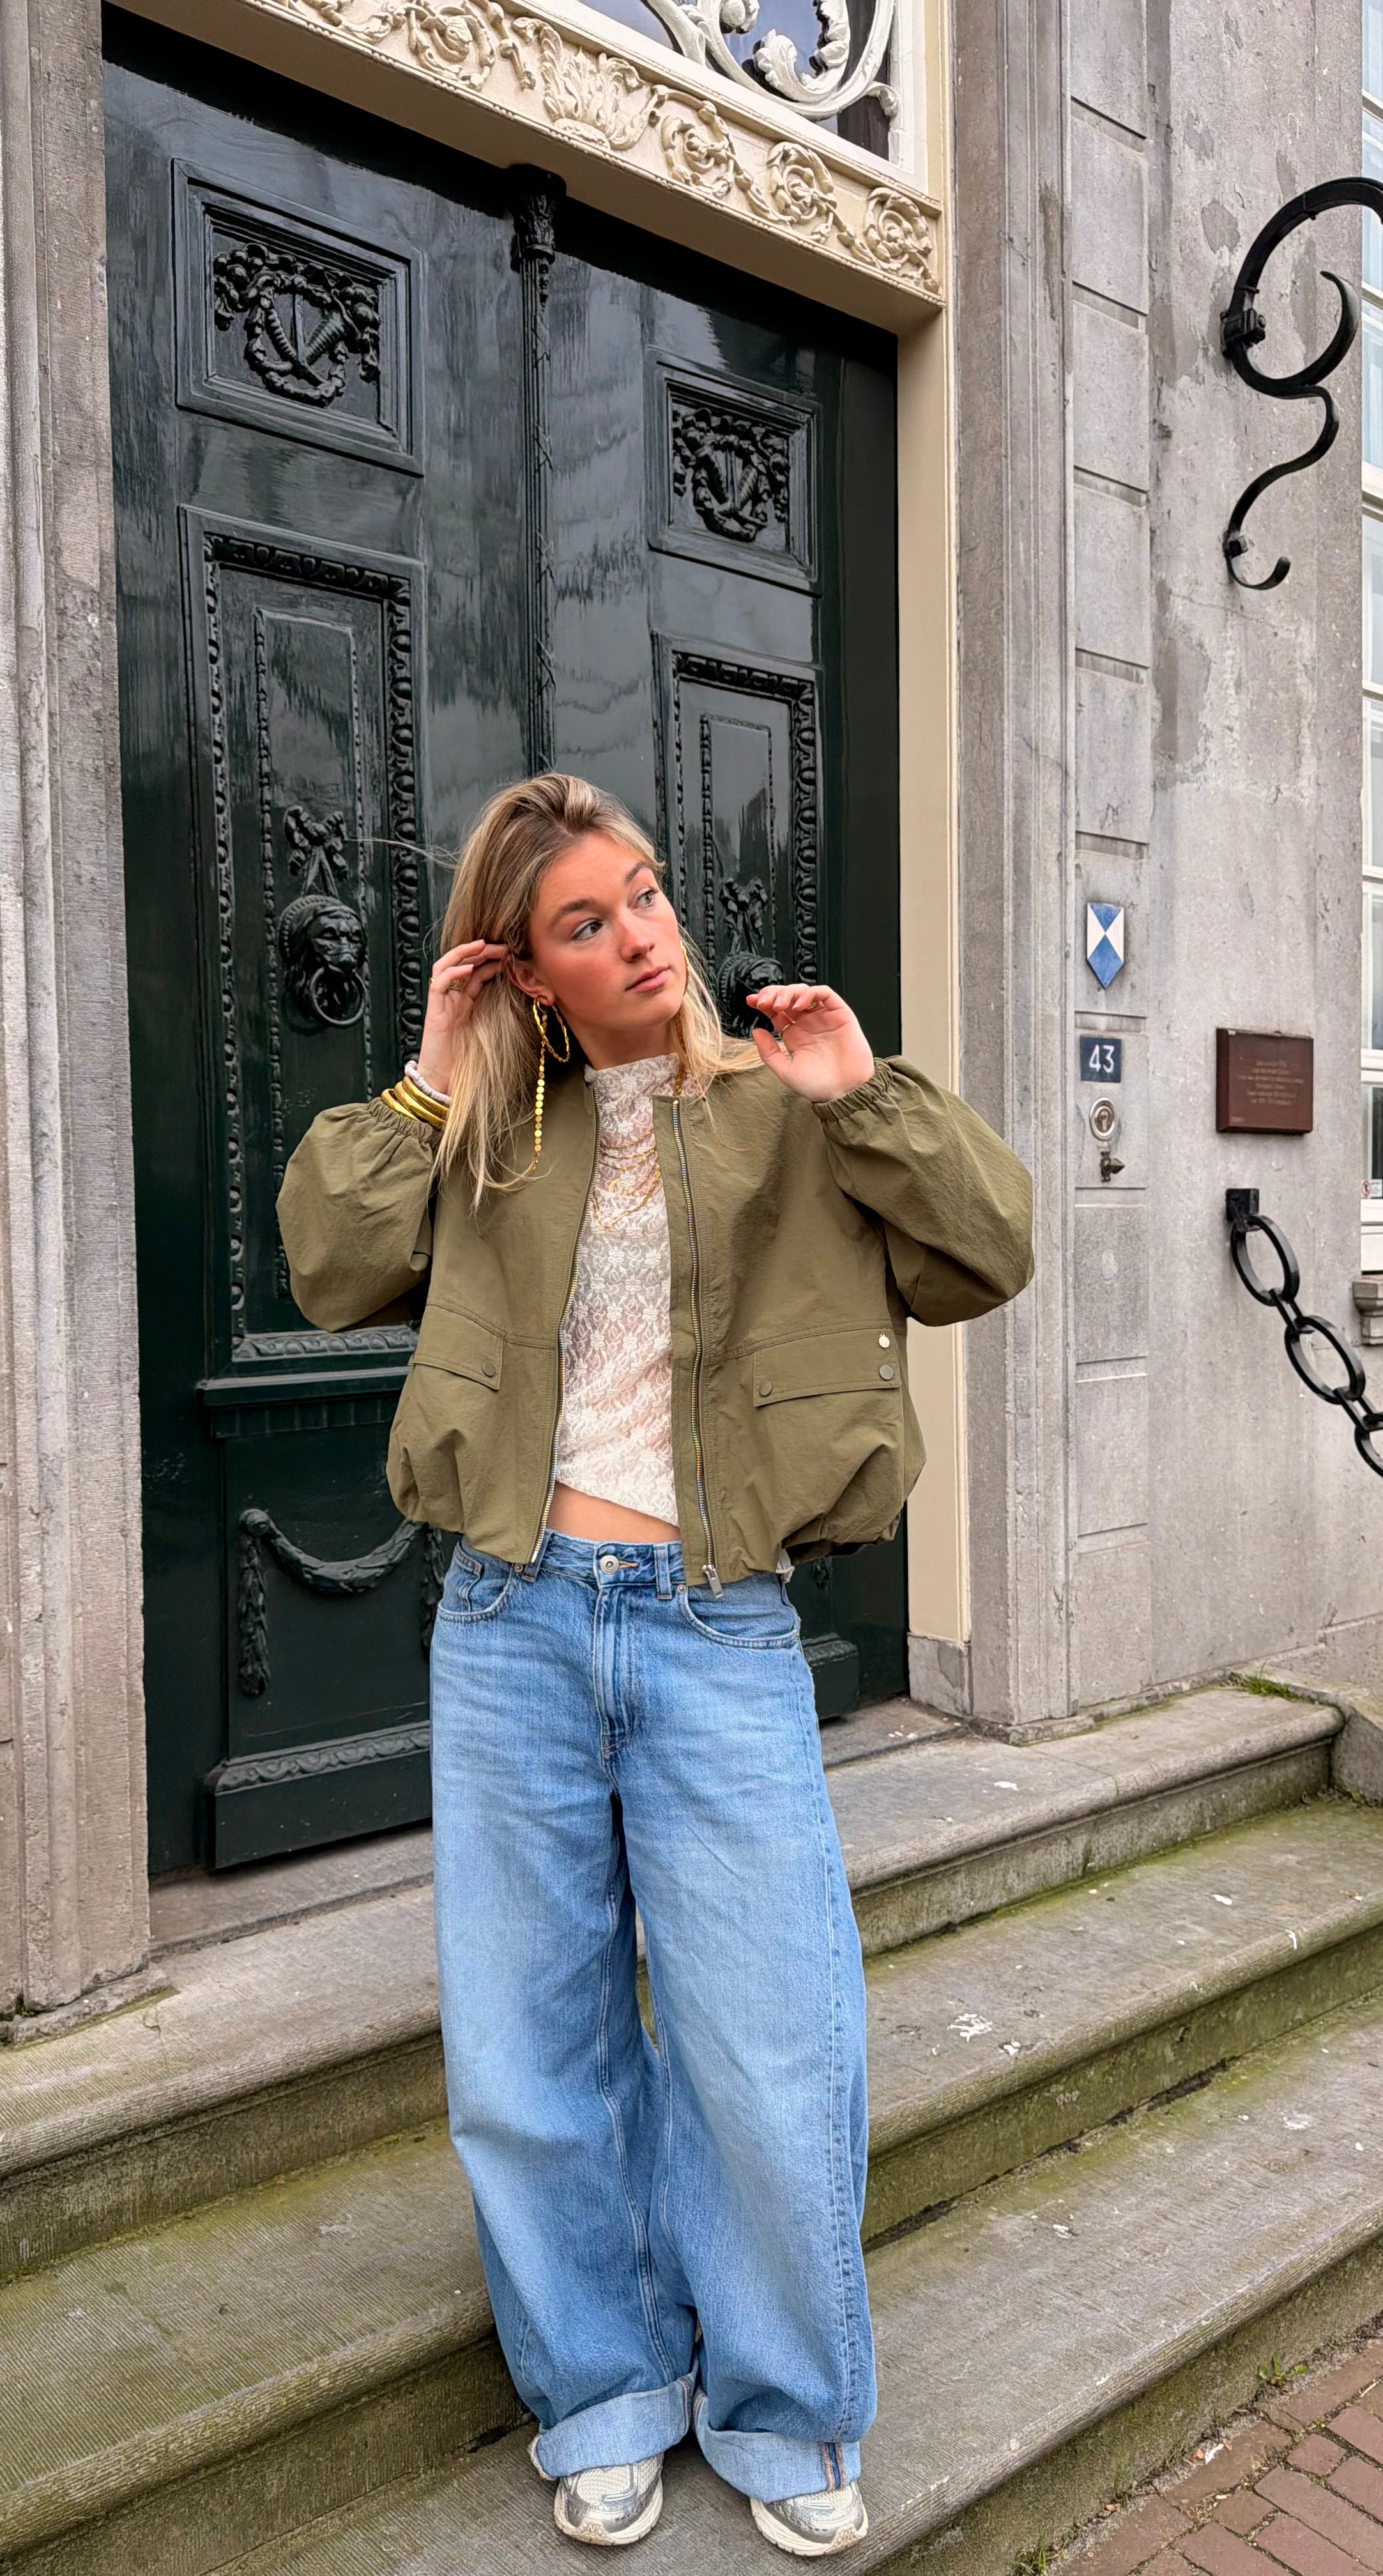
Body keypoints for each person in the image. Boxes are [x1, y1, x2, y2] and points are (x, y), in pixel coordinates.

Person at [278, 773, 1034, 2557]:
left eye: (644, 896)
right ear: (525, 967)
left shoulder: (786, 1106)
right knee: (528, 2049)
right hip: (511, 1619)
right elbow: (331, 1266)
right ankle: (602, 2389)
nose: (639, 937)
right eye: (584, 922)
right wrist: (430, 1072)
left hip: (713, 1626)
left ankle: (781, 2403)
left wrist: (865, 1093)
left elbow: (985, 1253)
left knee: (766, 2042)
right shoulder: (488, 1131)